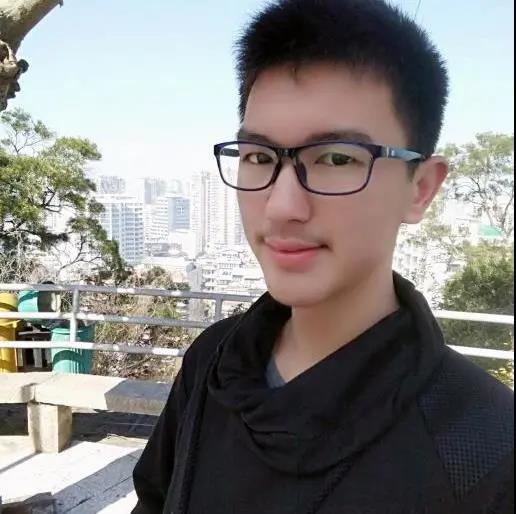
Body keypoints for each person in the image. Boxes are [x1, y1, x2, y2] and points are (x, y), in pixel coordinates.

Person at [132, 1, 514, 512]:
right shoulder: (214, 360)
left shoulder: (487, 444)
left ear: (420, 188)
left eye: (336, 158)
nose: (282, 205)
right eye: (259, 157)